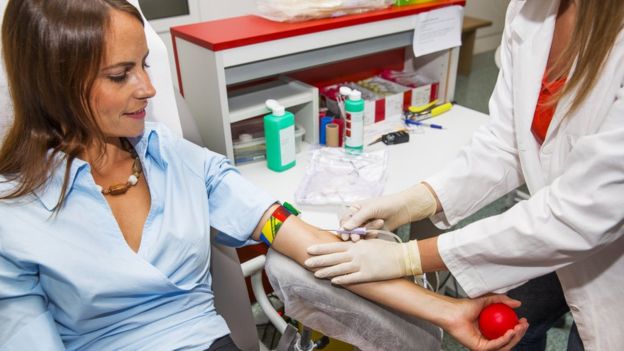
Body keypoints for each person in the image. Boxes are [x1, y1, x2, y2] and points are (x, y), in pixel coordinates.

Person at [0, 1, 528, 350]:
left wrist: (449, 311)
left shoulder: (181, 163)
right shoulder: (13, 215)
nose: (148, 89)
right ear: (56, 85)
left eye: (145, 65)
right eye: (121, 75)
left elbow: (308, 244)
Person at [304, 0, 624, 350]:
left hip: (609, 256)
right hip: (558, 222)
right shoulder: (532, 9)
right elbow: (508, 141)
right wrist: (416, 200)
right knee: (516, 322)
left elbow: (582, 212)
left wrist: (407, 257)